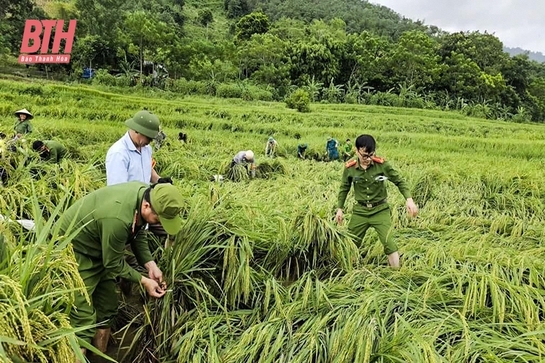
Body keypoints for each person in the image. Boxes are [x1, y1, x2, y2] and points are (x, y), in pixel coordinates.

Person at [58, 181, 184, 360]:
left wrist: (150, 265)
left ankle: (99, 357)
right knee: (82, 317)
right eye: (159, 219)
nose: (161, 225)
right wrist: (144, 281)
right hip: (76, 250)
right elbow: (113, 263)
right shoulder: (117, 218)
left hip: (102, 248)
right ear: (147, 206)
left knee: (108, 306)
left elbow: (137, 232)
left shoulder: (142, 197)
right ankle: (77, 355)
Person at [335, 134, 418, 268]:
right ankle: (348, 272)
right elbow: (344, 188)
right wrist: (340, 209)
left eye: (371, 155)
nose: (368, 159)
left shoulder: (382, 165)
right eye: (364, 155)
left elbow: (399, 181)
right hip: (360, 211)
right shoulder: (350, 167)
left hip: (380, 210)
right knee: (349, 244)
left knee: (389, 243)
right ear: (356, 151)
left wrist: (409, 200)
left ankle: (397, 275)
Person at [105, 110, 164, 186]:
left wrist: (159, 180)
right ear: (137, 130)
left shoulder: (146, 149)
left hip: (144, 196)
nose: (150, 141)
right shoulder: (118, 154)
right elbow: (118, 191)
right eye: (148, 137)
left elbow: (147, 170)